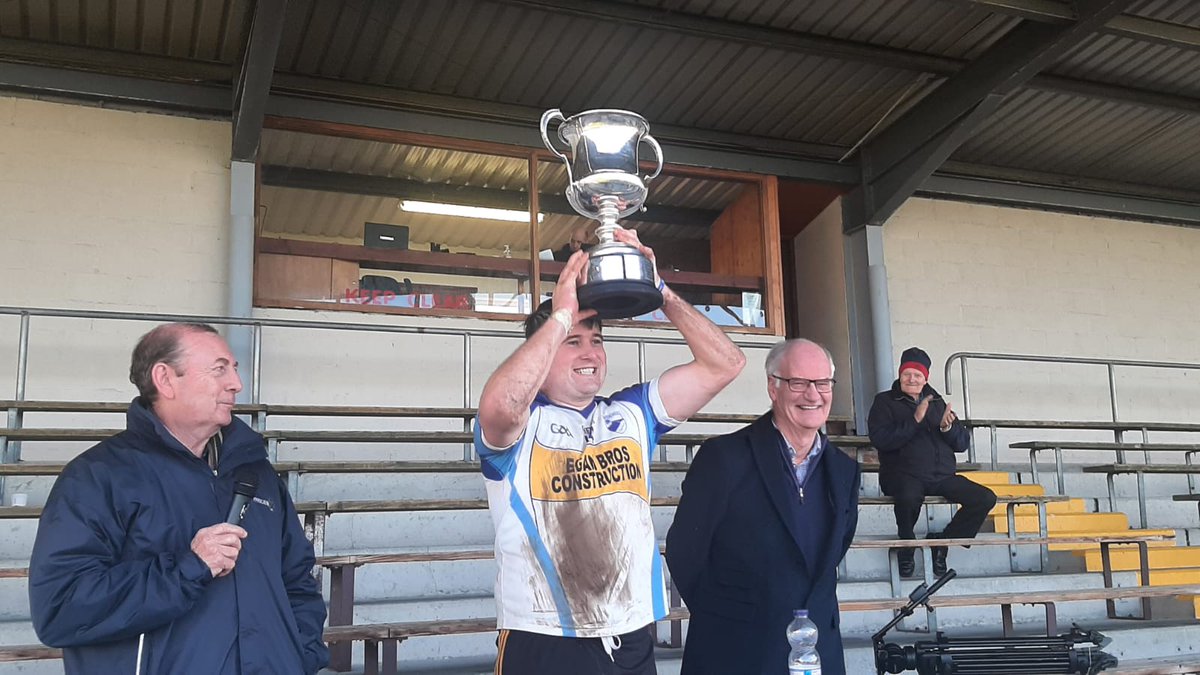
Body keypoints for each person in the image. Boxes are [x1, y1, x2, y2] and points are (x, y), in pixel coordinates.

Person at [475, 228, 746, 675]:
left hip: (631, 633)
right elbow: (501, 406)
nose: (590, 353)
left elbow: (726, 363)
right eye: (573, 341)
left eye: (596, 340)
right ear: (544, 353)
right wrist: (561, 316)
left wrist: (660, 290)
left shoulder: (632, 412)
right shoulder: (523, 423)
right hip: (543, 637)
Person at [28, 323, 329, 675]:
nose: (236, 383)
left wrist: (301, 658)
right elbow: (61, 608)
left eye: (234, 369)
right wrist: (190, 567)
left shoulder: (257, 475)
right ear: (166, 379)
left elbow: (297, 582)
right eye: (219, 369)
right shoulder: (98, 477)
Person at [666, 339, 861, 675]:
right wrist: (728, 619)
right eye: (798, 382)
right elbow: (685, 553)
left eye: (822, 383)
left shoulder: (844, 470)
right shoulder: (724, 458)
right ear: (773, 387)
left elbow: (834, 551)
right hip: (736, 653)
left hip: (817, 655)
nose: (812, 394)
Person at [868, 346, 997, 578]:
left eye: (917, 375)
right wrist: (914, 420)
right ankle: (906, 546)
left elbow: (962, 444)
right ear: (900, 374)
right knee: (908, 496)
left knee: (984, 498)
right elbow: (881, 439)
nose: (912, 379)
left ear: (925, 378)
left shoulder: (937, 402)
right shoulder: (884, 401)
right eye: (907, 374)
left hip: (941, 476)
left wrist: (948, 428)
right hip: (903, 474)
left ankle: (942, 542)